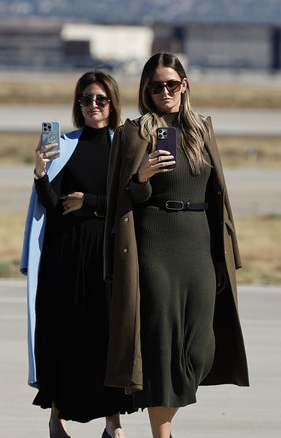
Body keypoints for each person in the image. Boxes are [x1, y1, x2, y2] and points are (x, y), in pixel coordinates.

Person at [103, 52, 249, 438]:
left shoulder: (202, 130)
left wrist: (220, 257)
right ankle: (162, 435)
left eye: (171, 84)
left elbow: (217, 195)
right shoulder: (134, 133)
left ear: (184, 85)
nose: (164, 92)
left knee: (200, 349)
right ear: (145, 91)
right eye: (156, 86)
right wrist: (141, 177)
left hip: (198, 247)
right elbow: (122, 201)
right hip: (154, 248)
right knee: (161, 350)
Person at [20, 70, 134, 438]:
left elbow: (131, 201)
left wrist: (90, 202)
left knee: (107, 337)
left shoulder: (124, 147)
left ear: (112, 103)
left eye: (101, 99)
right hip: (65, 255)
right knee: (63, 334)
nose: (93, 105)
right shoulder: (65, 145)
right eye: (86, 99)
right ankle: (57, 418)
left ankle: (113, 424)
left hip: (106, 256)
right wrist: (40, 172)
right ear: (78, 104)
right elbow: (53, 205)